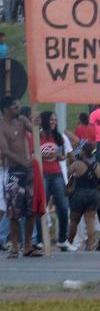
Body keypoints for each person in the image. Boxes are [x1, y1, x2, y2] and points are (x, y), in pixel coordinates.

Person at [0, 98, 40, 257]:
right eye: (15, 106)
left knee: (31, 210)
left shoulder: (22, 121)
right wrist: (23, 162)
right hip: (14, 173)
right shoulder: (2, 126)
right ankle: (15, 246)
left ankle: (28, 245)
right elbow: (6, 151)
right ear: (6, 109)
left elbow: (38, 133)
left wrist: (37, 124)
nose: (19, 108)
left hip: (28, 171)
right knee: (14, 211)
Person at [38, 111, 72, 251]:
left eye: (55, 120)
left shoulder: (58, 137)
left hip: (57, 173)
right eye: (51, 119)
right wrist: (44, 154)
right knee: (41, 208)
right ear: (45, 120)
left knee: (63, 207)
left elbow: (63, 156)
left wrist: (58, 155)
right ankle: (39, 239)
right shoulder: (38, 136)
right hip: (43, 174)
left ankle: (63, 239)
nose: (53, 122)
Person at [66, 142, 100, 251]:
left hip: (79, 194)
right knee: (90, 220)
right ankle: (91, 246)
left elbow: (66, 174)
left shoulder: (77, 164)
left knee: (74, 221)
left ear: (83, 152)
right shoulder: (98, 166)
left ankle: (69, 243)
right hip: (94, 194)